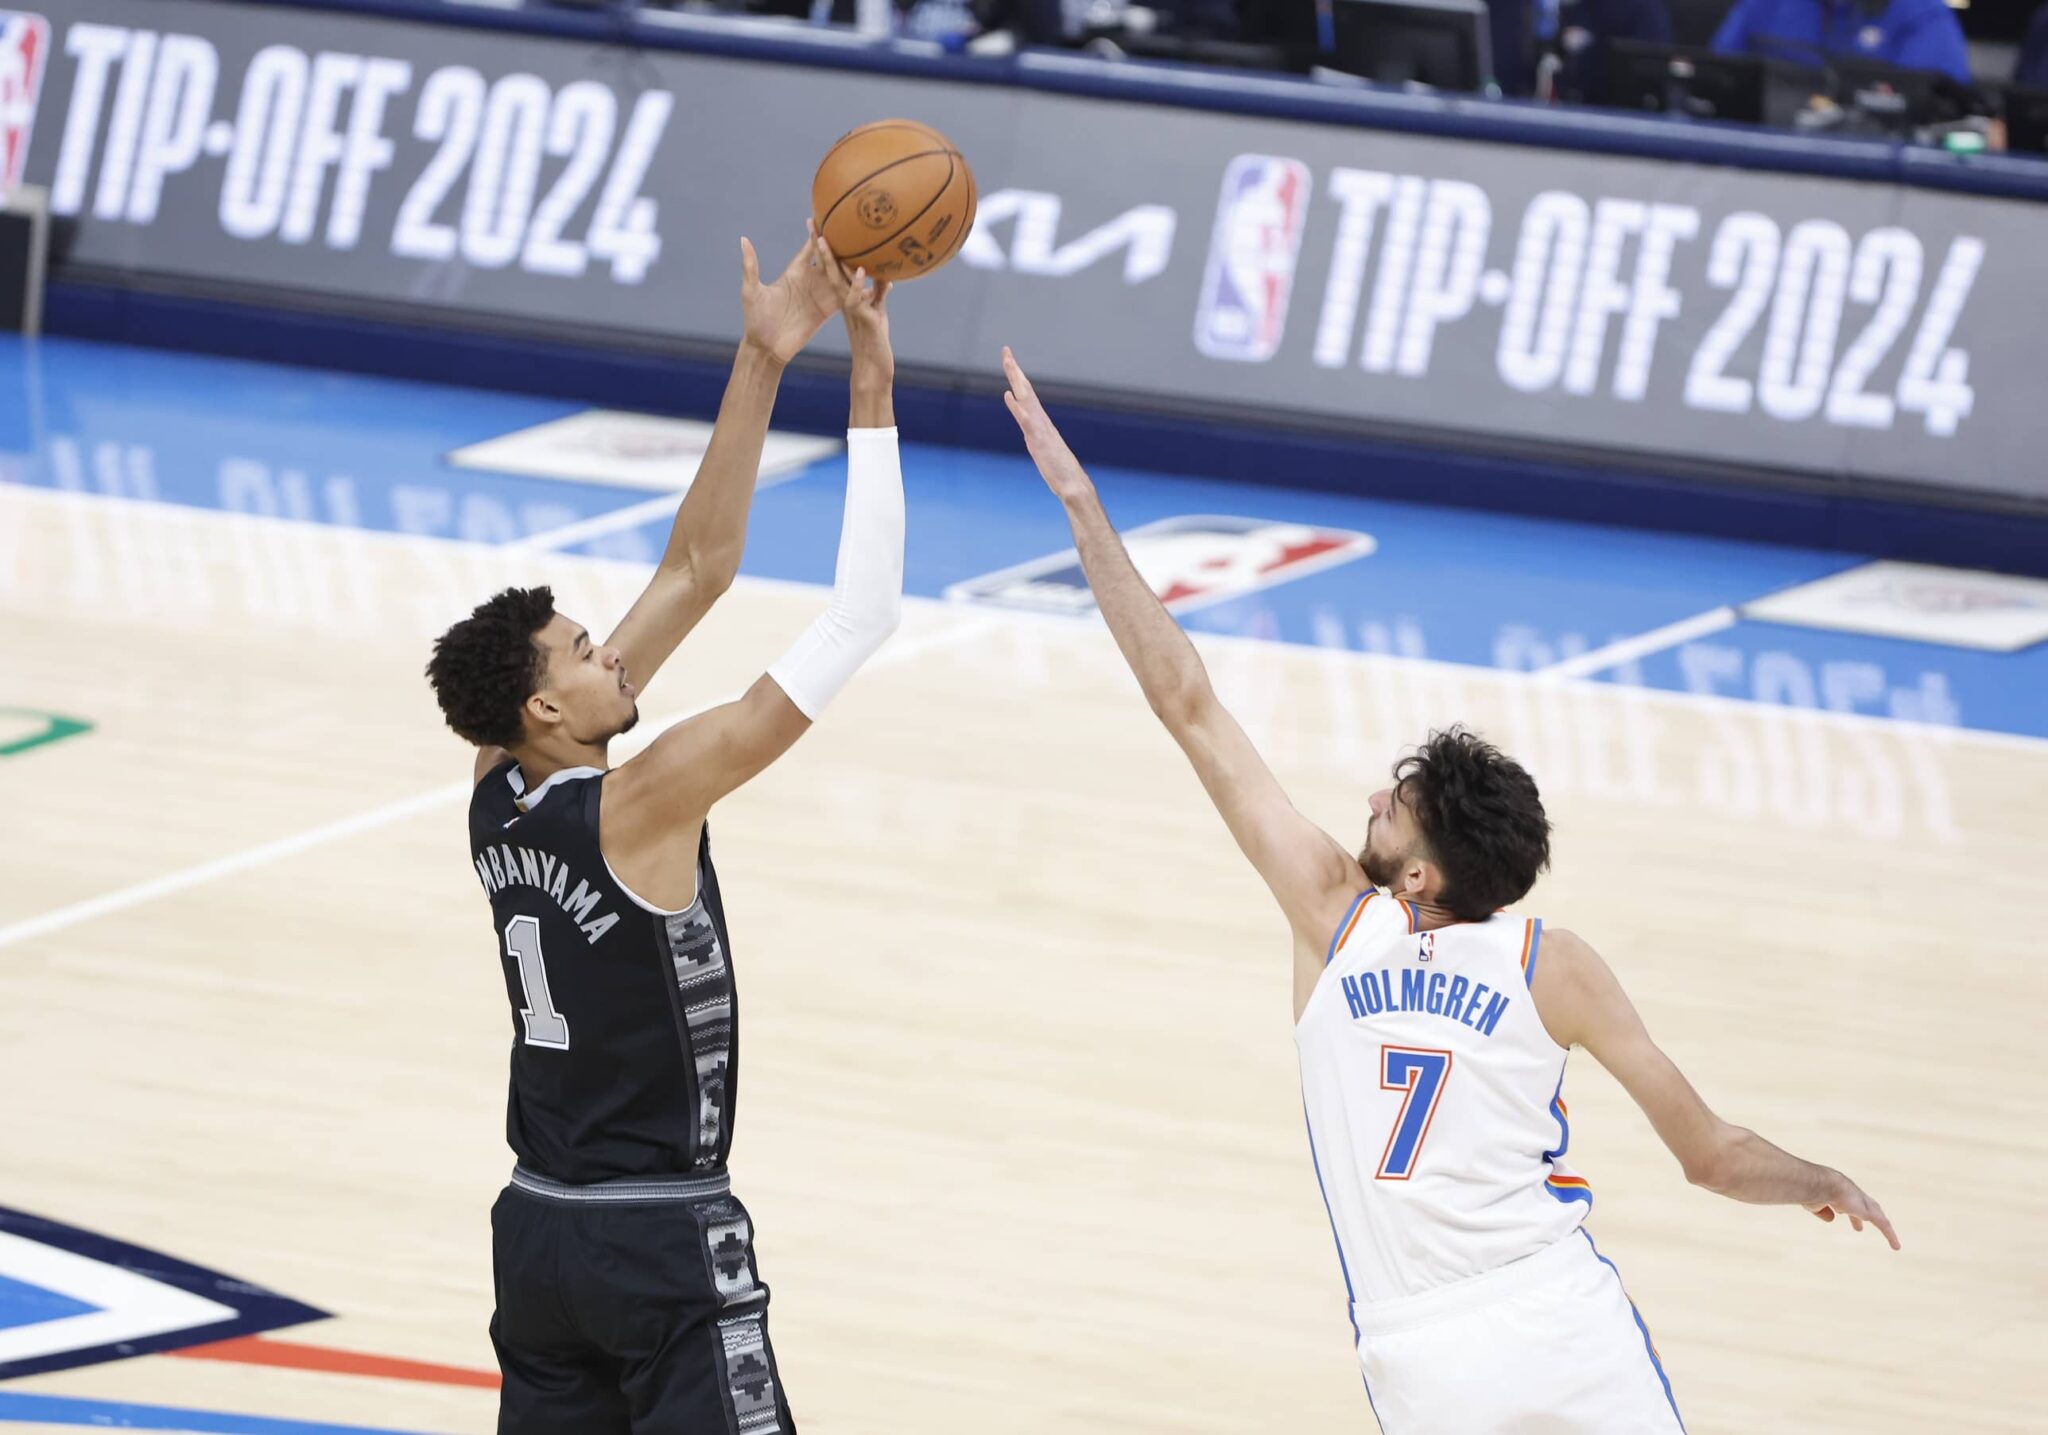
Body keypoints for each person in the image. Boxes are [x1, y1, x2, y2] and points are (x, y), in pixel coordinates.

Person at [996, 345, 1898, 1432]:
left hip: (1423, 1356)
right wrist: (1818, 1178)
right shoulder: (1551, 964)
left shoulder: (1332, 916)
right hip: (1561, 1326)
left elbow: (1184, 702)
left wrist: (1083, 508)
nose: (1372, 796)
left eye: (1393, 804)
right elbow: (1706, 1154)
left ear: (1419, 875)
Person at [424, 230, 903, 1435]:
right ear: (547, 707)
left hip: (535, 1236)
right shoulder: (647, 794)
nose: (611, 654)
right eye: (588, 654)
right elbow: (862, 616)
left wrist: (758, 354)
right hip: (657, 1239)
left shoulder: (496, 781)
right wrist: (868, 380)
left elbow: (695, 567)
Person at [1711, 0, 1970, 84]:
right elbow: (1715, 79)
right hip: (1766, 157)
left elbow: (1943, 118)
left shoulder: (1922, 15)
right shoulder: (1766, 4)